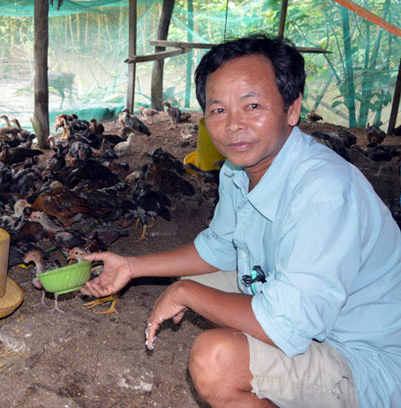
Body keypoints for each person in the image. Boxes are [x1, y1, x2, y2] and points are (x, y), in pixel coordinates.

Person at [81, 34, 401, 408]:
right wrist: (132, 267)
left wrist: (186, 294)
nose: (234, 125)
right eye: (219, 110)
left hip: (370, 361)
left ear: (292, 109)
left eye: (252, 105)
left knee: (217, 360)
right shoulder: (240, 170)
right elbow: (218, 248)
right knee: (196, 279)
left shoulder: (325, 192)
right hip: (316, 320)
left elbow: (285, 325)